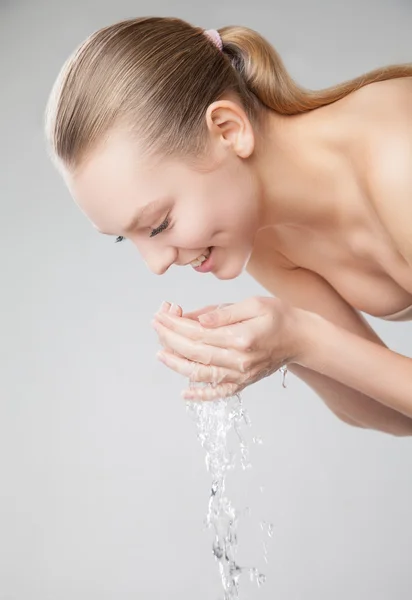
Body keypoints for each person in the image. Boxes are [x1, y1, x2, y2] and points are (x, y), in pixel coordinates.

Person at [45, 16, 412, 436]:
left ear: (227, 129)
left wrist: (306, 338)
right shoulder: (262, 236)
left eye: (159, 223)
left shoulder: (400, 151)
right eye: (122, 237)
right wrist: (274, 347)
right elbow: (396, 415)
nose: (155, 265)